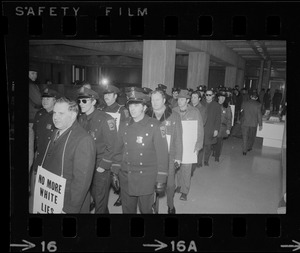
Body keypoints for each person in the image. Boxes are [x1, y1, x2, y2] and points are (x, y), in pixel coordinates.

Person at [110, 89, 169, 213]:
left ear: (145, 107)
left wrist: (161, 179)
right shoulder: (124, 125)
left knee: (146, 211)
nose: (132, 108)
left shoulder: (156, 126)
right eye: (130, 105)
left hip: (146, 179)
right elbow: (117, 151)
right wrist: (114, 171)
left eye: (136, 105)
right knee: (127, 210)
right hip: (127, 176)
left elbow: (162, 155)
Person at [35, 97, 96, 213]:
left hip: (68, 202)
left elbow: (81, 182)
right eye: (55, 113)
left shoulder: (84, 140)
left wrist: (70, 209)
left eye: (61, 113)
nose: (55, 117)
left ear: (73, 115)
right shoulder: (56, 131)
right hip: (51, 196)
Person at [77, 87, 118, 213]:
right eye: (79, 101)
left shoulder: (106, 119)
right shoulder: (81, 118)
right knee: (94, 197)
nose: (81, 104)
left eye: (84, 101)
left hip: (99, 165)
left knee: (100, 200)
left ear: (93, 102)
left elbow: (112, 145)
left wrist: (103, 165)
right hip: (85, 165)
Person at [147, 89, 183, 214]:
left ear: (163, 100)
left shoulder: (174, 116)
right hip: (151, 156)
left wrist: (178, 157)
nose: (155, 102)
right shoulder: (146, 115)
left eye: (157, 100)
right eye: (152, 100)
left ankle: (170, 205)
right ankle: (152, 205)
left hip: (169, 156)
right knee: (151, 183)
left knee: (170, 185)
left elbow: (178, 138)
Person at [101, 84, 130, 207]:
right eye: (105, 94)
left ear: (115, 96)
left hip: (118, 146)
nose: (106, 96)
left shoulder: (122, 110)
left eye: (109, 94)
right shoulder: (101, 110)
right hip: (105, 147)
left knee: (119, 173)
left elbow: (127, 128)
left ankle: (122, 196)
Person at [173, 89, 204, 201]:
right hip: (176, 144)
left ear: (187, 100)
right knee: (178, 167)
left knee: (186, 168)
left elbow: (199, 129)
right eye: (178, 99)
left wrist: (198, 145)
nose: (180, 101)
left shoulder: (195, 112)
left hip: (189, 145)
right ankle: (179, 185)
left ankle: (184, 191)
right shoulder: (174, 110)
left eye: (182, 99)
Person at [198, 89, 221, 166]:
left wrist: (216, 129)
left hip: (211, 128)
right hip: (201, 127)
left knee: (208, 146)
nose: (208, 96)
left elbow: (218, 118)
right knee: (200, 145)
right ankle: (199, 162)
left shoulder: (216, 105)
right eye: (207, 95)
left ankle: (206, 160)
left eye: (210, 95)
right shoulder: (201, 103)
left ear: (213, 96)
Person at [212, 90, 232, 162]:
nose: (222, 99)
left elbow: (229, 119)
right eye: (221, 97)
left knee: (219, 142)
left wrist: (228, 128)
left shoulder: (227, 107)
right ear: (218, 97)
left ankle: (217, 156)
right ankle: (214, 151)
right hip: (213, 126)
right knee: (214, 141)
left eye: (224, 97)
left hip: (222, 127)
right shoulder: (214, 105)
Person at [29, 63, 42, 171]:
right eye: (32, 73)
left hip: (31, 117)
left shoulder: (33, 84)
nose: (34, 76)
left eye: (36, 74)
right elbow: (38, 100)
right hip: (32, 119)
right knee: (30, 150)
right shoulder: (30, 85)